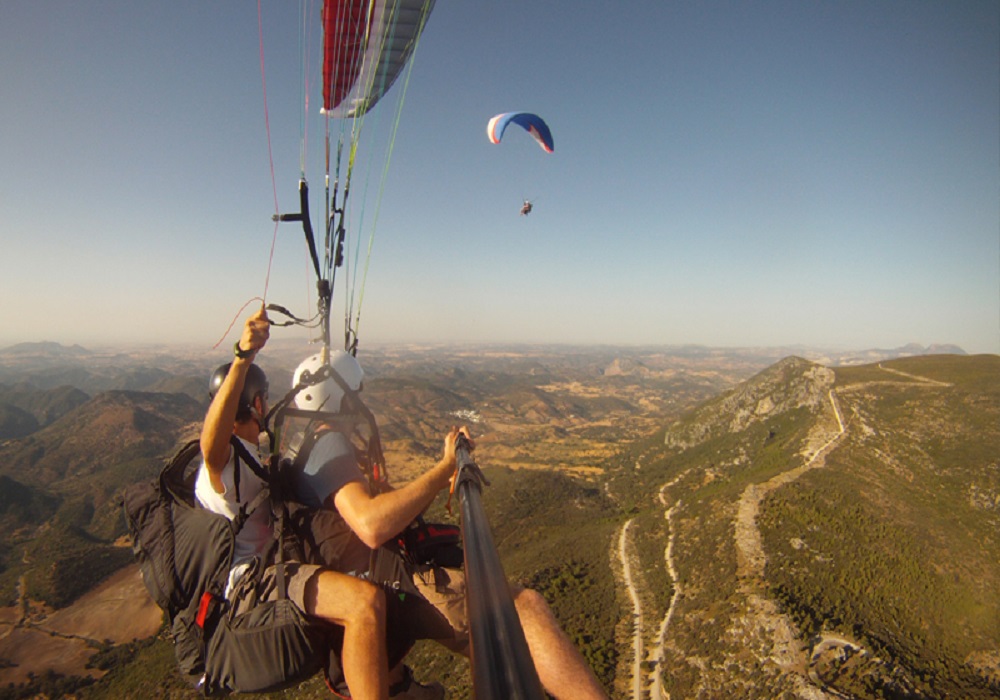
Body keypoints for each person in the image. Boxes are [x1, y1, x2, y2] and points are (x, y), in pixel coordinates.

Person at [288, 349, 610, 700]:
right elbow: (370, 524)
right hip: (383, 578)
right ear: (340, 397)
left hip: (375, 573)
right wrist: (444, 468)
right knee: (525, 609)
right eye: (356, 394)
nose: (359, 404)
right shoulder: (328, 443)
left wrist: (432, 483)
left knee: (499, 638)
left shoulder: (306, 445)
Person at [196, 306, 388, 700]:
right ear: (259, 404)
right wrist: (243, 357)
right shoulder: (225, 463)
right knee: (364, 602)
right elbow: (211, 449)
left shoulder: (252, 456)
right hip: (251, 584)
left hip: (273, 567)